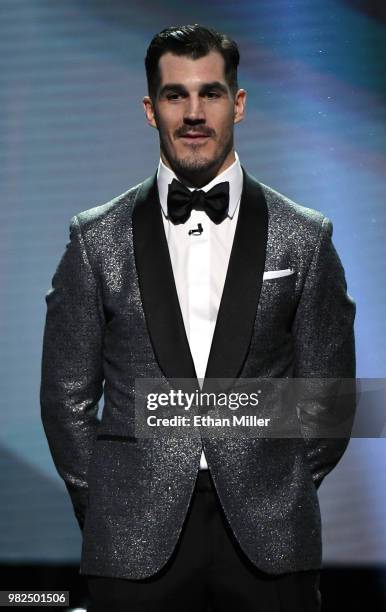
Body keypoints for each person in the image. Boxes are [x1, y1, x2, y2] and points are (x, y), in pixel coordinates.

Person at [40, 24, 356, 612]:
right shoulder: (94, 239)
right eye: (174, 95)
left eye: (209, 93)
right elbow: (65, 397)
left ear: (237, 102)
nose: (193, 112)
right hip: (133, 536)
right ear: (149, 108)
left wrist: (275, 484)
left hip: (270, 536)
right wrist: (109, 502)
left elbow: (331, 398)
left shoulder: (306, 238)